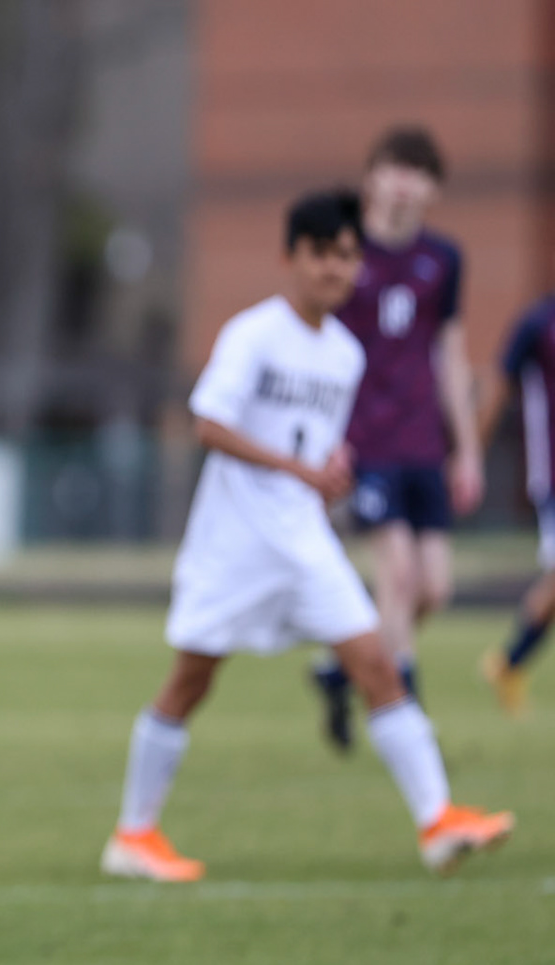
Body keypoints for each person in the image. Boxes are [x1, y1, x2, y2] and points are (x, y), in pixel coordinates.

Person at [103, 189, 512, 884]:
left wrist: (331, 469)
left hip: (304, 540)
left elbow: (318, 448)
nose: (335, 269)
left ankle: (437, 822)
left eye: (347, 256)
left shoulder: (345, 355)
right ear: (290, 257)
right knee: (191, 681)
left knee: (377, 664)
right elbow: (209, 423)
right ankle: (134, 835)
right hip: (234, 543)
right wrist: (299, 467)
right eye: (322, 254)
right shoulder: (253, 334)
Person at [309, 127, 483, 750]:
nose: (405, 183)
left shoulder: (444, 259)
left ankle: (339, 670)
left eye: (419, 172)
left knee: (435, 588)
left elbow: (450, 352)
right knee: (399, 571)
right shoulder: (346, 253)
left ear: (434, 188)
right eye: (394, 168)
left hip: (421, 443)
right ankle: (406, 711)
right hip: (363, 439)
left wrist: (466, 447)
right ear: (372, 177)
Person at [479, 292, 555, 713]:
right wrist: (472, 452)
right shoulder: (538, 322)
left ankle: (510, 661)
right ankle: (510, 662)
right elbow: (498, 382)